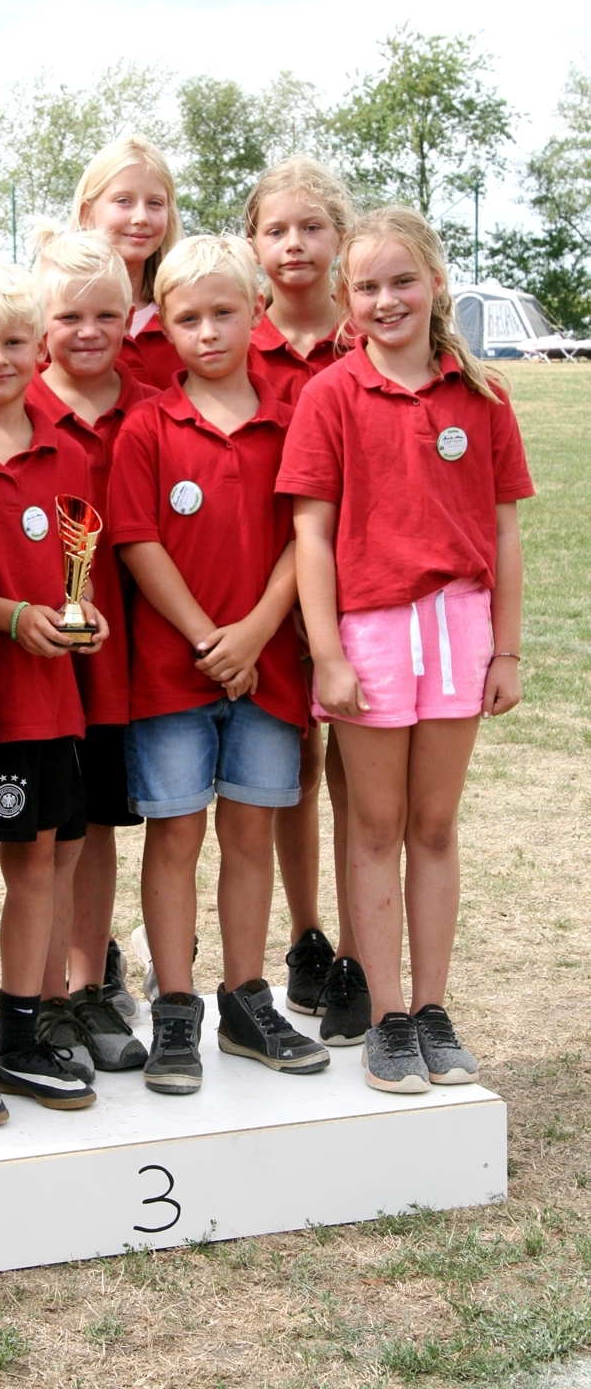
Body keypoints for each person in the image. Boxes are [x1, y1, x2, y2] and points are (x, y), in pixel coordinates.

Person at [277, 206, 533, 1093]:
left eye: (402, 281)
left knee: (432, 826)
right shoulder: (330, 395)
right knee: (375, 825)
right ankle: (385, 1016)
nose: (385, 300)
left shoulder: (482, 395)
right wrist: (328, 653)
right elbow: (311, 535)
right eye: (366, 287)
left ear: (434, 284)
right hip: (370, 634)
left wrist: (504, 650)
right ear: (345, 299)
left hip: (460, 629)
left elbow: (503, 533)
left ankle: (430, 1010)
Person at [109, 234, 329, 1095]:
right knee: (175, 836)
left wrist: (255, 632)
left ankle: (244, 1000)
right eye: (187, 318)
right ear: (161, 326)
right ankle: (174, 1008)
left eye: (224, 313)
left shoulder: (293, 417)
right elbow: (137, 542)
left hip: (268, 674)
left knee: (249, 835)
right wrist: (209, 639)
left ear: (256, 312)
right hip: (172, 675)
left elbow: (305, 536)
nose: (207, 332)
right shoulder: (146, 426)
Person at [0, 259, 123, 1122]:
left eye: (14, 342)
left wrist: (85, 616)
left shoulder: (65, 450)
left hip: (54, 701)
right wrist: (11, 618)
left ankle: (19, 1035)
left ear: (37, 346)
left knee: (40, 861)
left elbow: (77, 568)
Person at [25, 224, 155, 1057]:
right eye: (68, 316)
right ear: (40, 321)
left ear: (132, 313)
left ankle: (85, 984)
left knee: (96, 826)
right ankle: (37, 995)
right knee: (39, 835)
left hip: (121, 661)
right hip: (34, 663)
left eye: (106, 314)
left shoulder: (153, 407)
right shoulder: (11, 406)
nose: (87, 331)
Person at [244, 158, 366, 1044]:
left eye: (311, 227)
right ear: (252, 242)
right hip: (259, 582)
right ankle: (305, 936)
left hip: (353, 586)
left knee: (354, 771)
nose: (293, 244)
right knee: (288, 766)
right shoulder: (230, 337)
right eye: (275, 229)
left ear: (339, 237)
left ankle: (359, 950)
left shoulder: (369, 336)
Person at [71, 134, 183, 392]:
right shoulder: (53, 317)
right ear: (87, 213)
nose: (141, 217)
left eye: (155, 203)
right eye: (124, 201)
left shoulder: (189, 316)